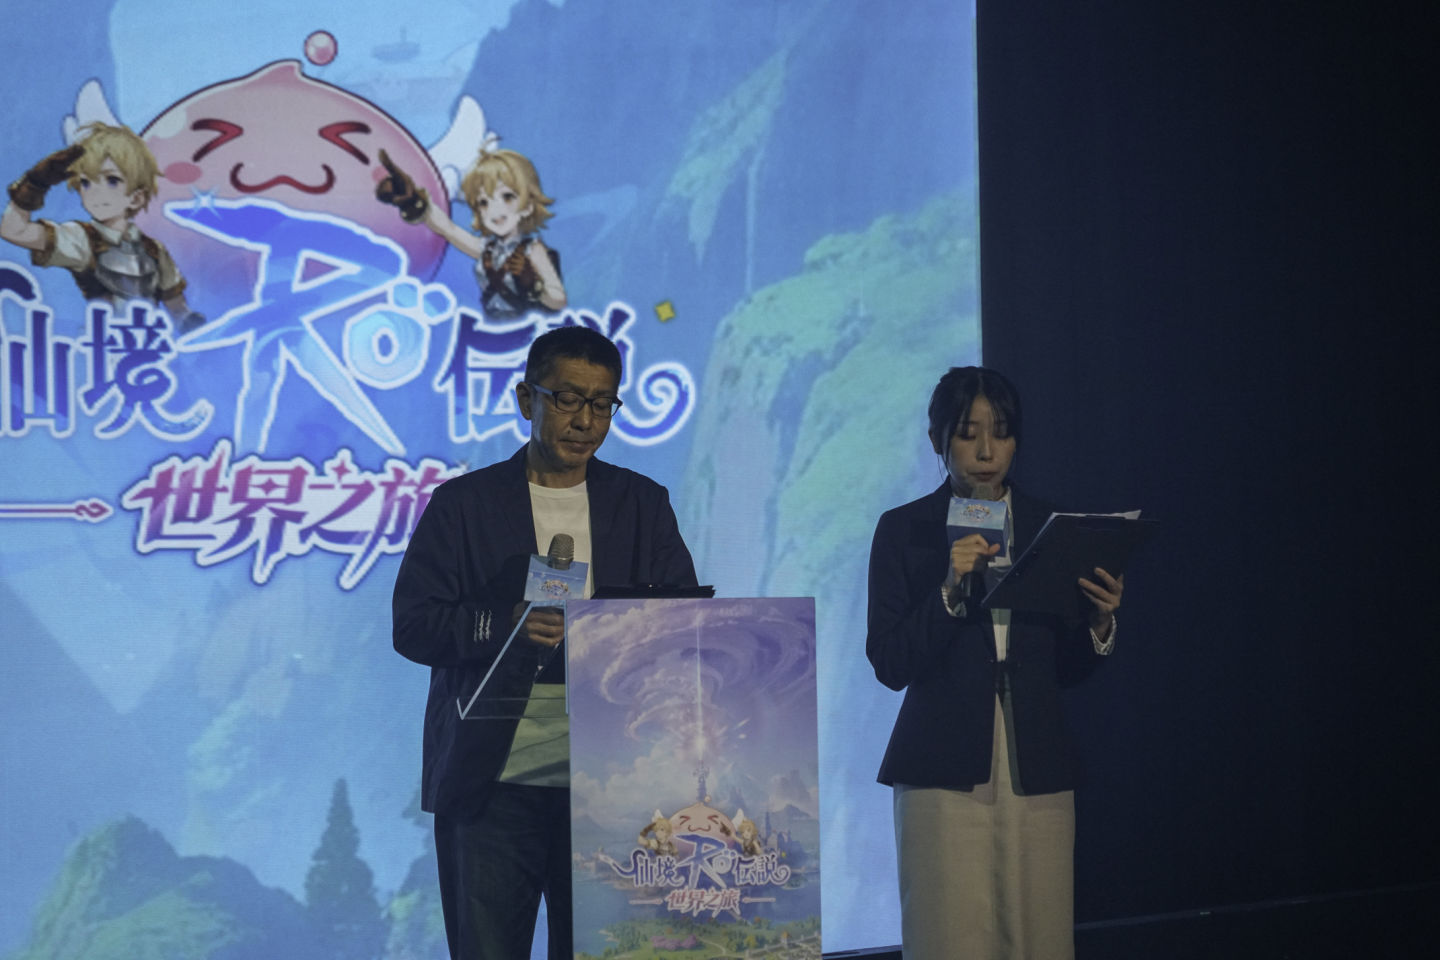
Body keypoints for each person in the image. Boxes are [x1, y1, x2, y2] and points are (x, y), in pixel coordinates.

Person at [392, 326, 696, 959]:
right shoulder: (463, 505)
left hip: (611, 775)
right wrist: (503, 623)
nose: (585, 421)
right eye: (568, 399)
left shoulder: (642, 503)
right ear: (526, 398)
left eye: (602, 404)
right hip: (492, 776)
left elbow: (683, 621)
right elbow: (414, 624)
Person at [866, 366, 1125, 960]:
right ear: (937, 439)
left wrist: (1100, 623)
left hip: (1037, 757)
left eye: (1001, 433)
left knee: (1039, 932)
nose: (986, 451)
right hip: (942, 763)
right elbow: (889, 661)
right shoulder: (905, 529)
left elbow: (1067, 669)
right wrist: (948, 590)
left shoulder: (1052, 528)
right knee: (949, 932)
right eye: (968, 433)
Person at [1, 122, 204, 331]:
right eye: (86, 183)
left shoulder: (155, 250)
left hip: (148, 344)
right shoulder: (81, 239)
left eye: (112, 180)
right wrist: (35, 183)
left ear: (136, 197)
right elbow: (14, 230)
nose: (96, 192)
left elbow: (177, 308)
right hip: (103, 343)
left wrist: (190, 323)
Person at [375, 145, 566, 318]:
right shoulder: (487, 250)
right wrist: (414, 200)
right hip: (493, 330)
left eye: (507, 197)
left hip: (527, 331)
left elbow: (559, 299)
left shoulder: (532, 250)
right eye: (484, 202)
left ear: (528, 206)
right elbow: (448, 229)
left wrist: (534, 285)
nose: (495, 209)